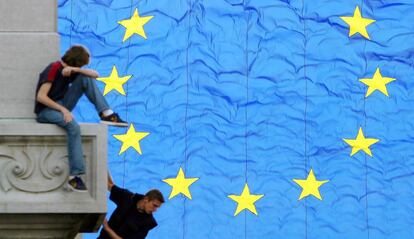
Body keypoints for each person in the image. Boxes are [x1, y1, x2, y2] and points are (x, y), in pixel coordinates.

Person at [35, 45, 128, 192]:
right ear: (76, 61)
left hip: (62, 105)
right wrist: (63, 110)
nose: (82, 67)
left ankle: (107, 113)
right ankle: (74, 177)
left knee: (87, 77)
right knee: (73, 126)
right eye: (81, 65)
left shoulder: (73, 70)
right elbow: (41, 97)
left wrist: (77, 70)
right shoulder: (54, 68)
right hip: (46, 111)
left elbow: (96, 75)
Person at [98, 173, 164, 239]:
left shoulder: (149, 223)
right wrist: (102, 164)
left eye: (157, 207)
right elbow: (110, 185)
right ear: (146, 199)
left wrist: (107, 229)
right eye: (154, 205)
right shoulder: (128, 197)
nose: (155, 210)